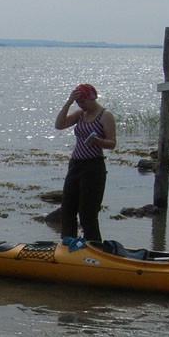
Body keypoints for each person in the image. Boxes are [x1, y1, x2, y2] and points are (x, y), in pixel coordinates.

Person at [55, 82, 116, 245]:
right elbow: (59, 125)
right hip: (76, 164)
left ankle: (94, 246)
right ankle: (68, 243)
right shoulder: (81, 114)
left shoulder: (105, 115)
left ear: (92, 98)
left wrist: (98, 141)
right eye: (78, 102)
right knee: (68, 208)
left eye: (83, 102)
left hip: (93, 166)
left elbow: (112, 143)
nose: (81, 105)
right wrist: (68, 103)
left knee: (87, 213)